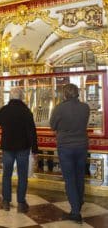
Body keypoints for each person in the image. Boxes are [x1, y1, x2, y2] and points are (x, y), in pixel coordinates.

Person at [50, 83, 90, 224]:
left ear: (64, 94)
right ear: (77, 93)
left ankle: (75, 212)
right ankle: (79, 202)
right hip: (82, 146)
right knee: (79, 175)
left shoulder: (59, 108)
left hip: (66, 146)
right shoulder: (85, 107)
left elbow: (52, 125)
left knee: (69, 178)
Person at [0, 87, 38, 213]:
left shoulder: (3, 110)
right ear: (21, 97)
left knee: (6, 174)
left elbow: (0, 123)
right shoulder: (26, 111)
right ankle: (21, 203)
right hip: (23, 148)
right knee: (22, 175)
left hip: (7, 147)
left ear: (10, 96)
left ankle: (5, 202)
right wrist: (35, 150)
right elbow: (32, 132)